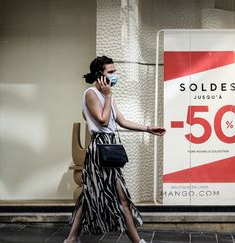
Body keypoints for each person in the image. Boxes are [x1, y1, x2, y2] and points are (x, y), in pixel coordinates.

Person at [65, 56, 166, 243]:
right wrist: (108, 95)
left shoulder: (106, 96)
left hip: (109, 147)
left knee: (92, 194)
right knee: (117, 197)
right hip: (100, 150)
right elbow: (102, 120)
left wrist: (148, 128)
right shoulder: (91, 94)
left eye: (114, 71)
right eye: (110, 72)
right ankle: (137, 241)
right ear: (99, 76)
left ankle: (71, 239)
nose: (115, 75)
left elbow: (122, 121)